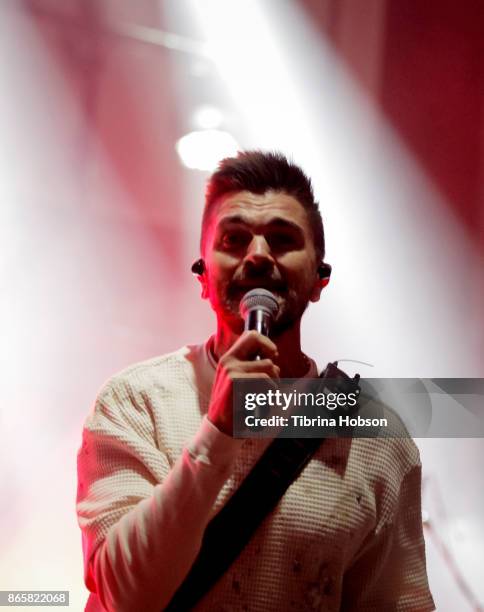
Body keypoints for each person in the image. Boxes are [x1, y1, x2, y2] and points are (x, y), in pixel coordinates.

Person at [76, 150, 435, 611]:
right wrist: (219, 433)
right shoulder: (134, 403)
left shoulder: (376, 437)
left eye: (283, 240)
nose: (259, 256)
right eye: (234, 239)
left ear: (320, 280)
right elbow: (125, 597)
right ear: (203, 275)